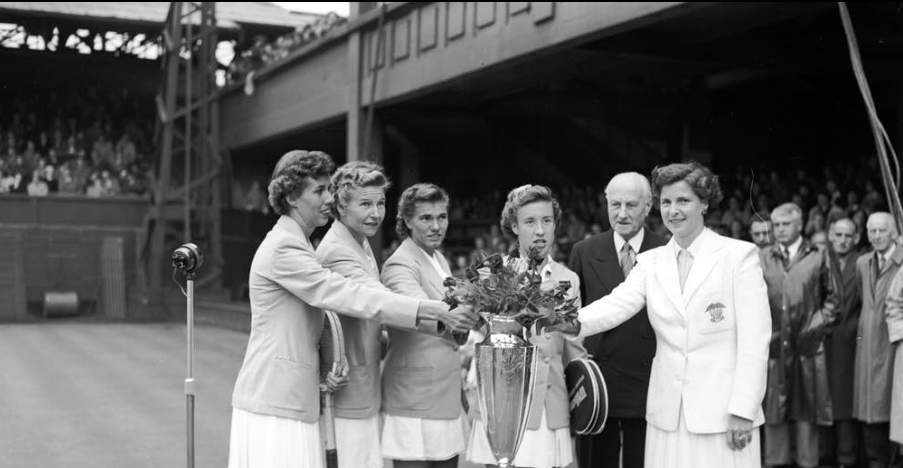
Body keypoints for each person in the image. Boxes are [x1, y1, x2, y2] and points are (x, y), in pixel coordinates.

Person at [227, 150, 477, 468]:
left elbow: (330, 321)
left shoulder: (320, 243)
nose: (328, 199)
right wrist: (437, 310)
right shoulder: (288, 246)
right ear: (291, 197)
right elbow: (352, 295)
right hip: (278, 395)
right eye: (320, 191)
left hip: (305, 395)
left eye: (380, 203)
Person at [576, 161, 771, 468]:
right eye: (666, 202)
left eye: (683, 201)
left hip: (722, 415)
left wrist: (744, 409)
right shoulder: (651, 262)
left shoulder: (738, 256)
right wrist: (565, 321)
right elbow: (615, 305)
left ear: (704, 203)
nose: (673, 210)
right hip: (667, 415)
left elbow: (755, 342)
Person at [467, 184, 587, 468]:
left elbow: (574, 350)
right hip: (501, 403)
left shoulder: (569, 279)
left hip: (549, 405)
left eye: (547, 220)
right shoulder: (493, 274)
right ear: (514, 226)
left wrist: (584, 395)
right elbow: (481, 338)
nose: (540, 231)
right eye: (530, 222)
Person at [569, 172, 667, 468]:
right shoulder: (584, 251)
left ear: (648, 206)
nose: (622, 213)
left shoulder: (666, 251)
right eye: (615, 205)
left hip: (650, 382)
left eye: (631, 205)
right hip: (599, 384)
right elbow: (576, 316)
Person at [380, 183, 469, 468]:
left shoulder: (439, 258)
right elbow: (417, 307)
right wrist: (461, 314)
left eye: (442, 217)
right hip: (414, 397)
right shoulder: (399, 264)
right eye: (426, 218)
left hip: (445, 392)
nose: (436, 226)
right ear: (407, 221)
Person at [315, 161, 395, 468]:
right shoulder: (337, 250)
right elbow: (378, 300)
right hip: (348, 394)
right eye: (365, 204)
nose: (376, 213)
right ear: (341, 206)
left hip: (364, 387)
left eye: (380, 203)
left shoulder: (359, 241)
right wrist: (439, 312)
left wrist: (382, 336)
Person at [759, 203, 831, 468]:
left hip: (807, 344)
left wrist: (815, 328)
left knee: (806, 408)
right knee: (773, 409)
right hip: (774, 342)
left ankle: (807, 462)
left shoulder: (818, 255)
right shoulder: (763, 256)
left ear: (799, 225)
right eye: (776, 225)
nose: (779, 229)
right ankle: (775, 462)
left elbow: (834, 298)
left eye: (785, 224)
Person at [854, 212, 902, 468]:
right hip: (868, 341)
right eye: (872, 231)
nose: (877, 235)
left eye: (882, 230)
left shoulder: (902, 260)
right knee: (871, 404)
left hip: (894, 340)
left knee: (894, 402)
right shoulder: (863, 263)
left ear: (893, 232)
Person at [821, 218, 864, 468]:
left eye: (848, 236)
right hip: (823, 340)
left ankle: (847, 457)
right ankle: (825, 455)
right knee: (824, 399)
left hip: (851, 342)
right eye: (838, 235)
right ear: (830, 235)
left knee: (846, 401)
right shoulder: (821, 261)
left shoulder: (862, 262)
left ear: (856, 238)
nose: (843, 240)